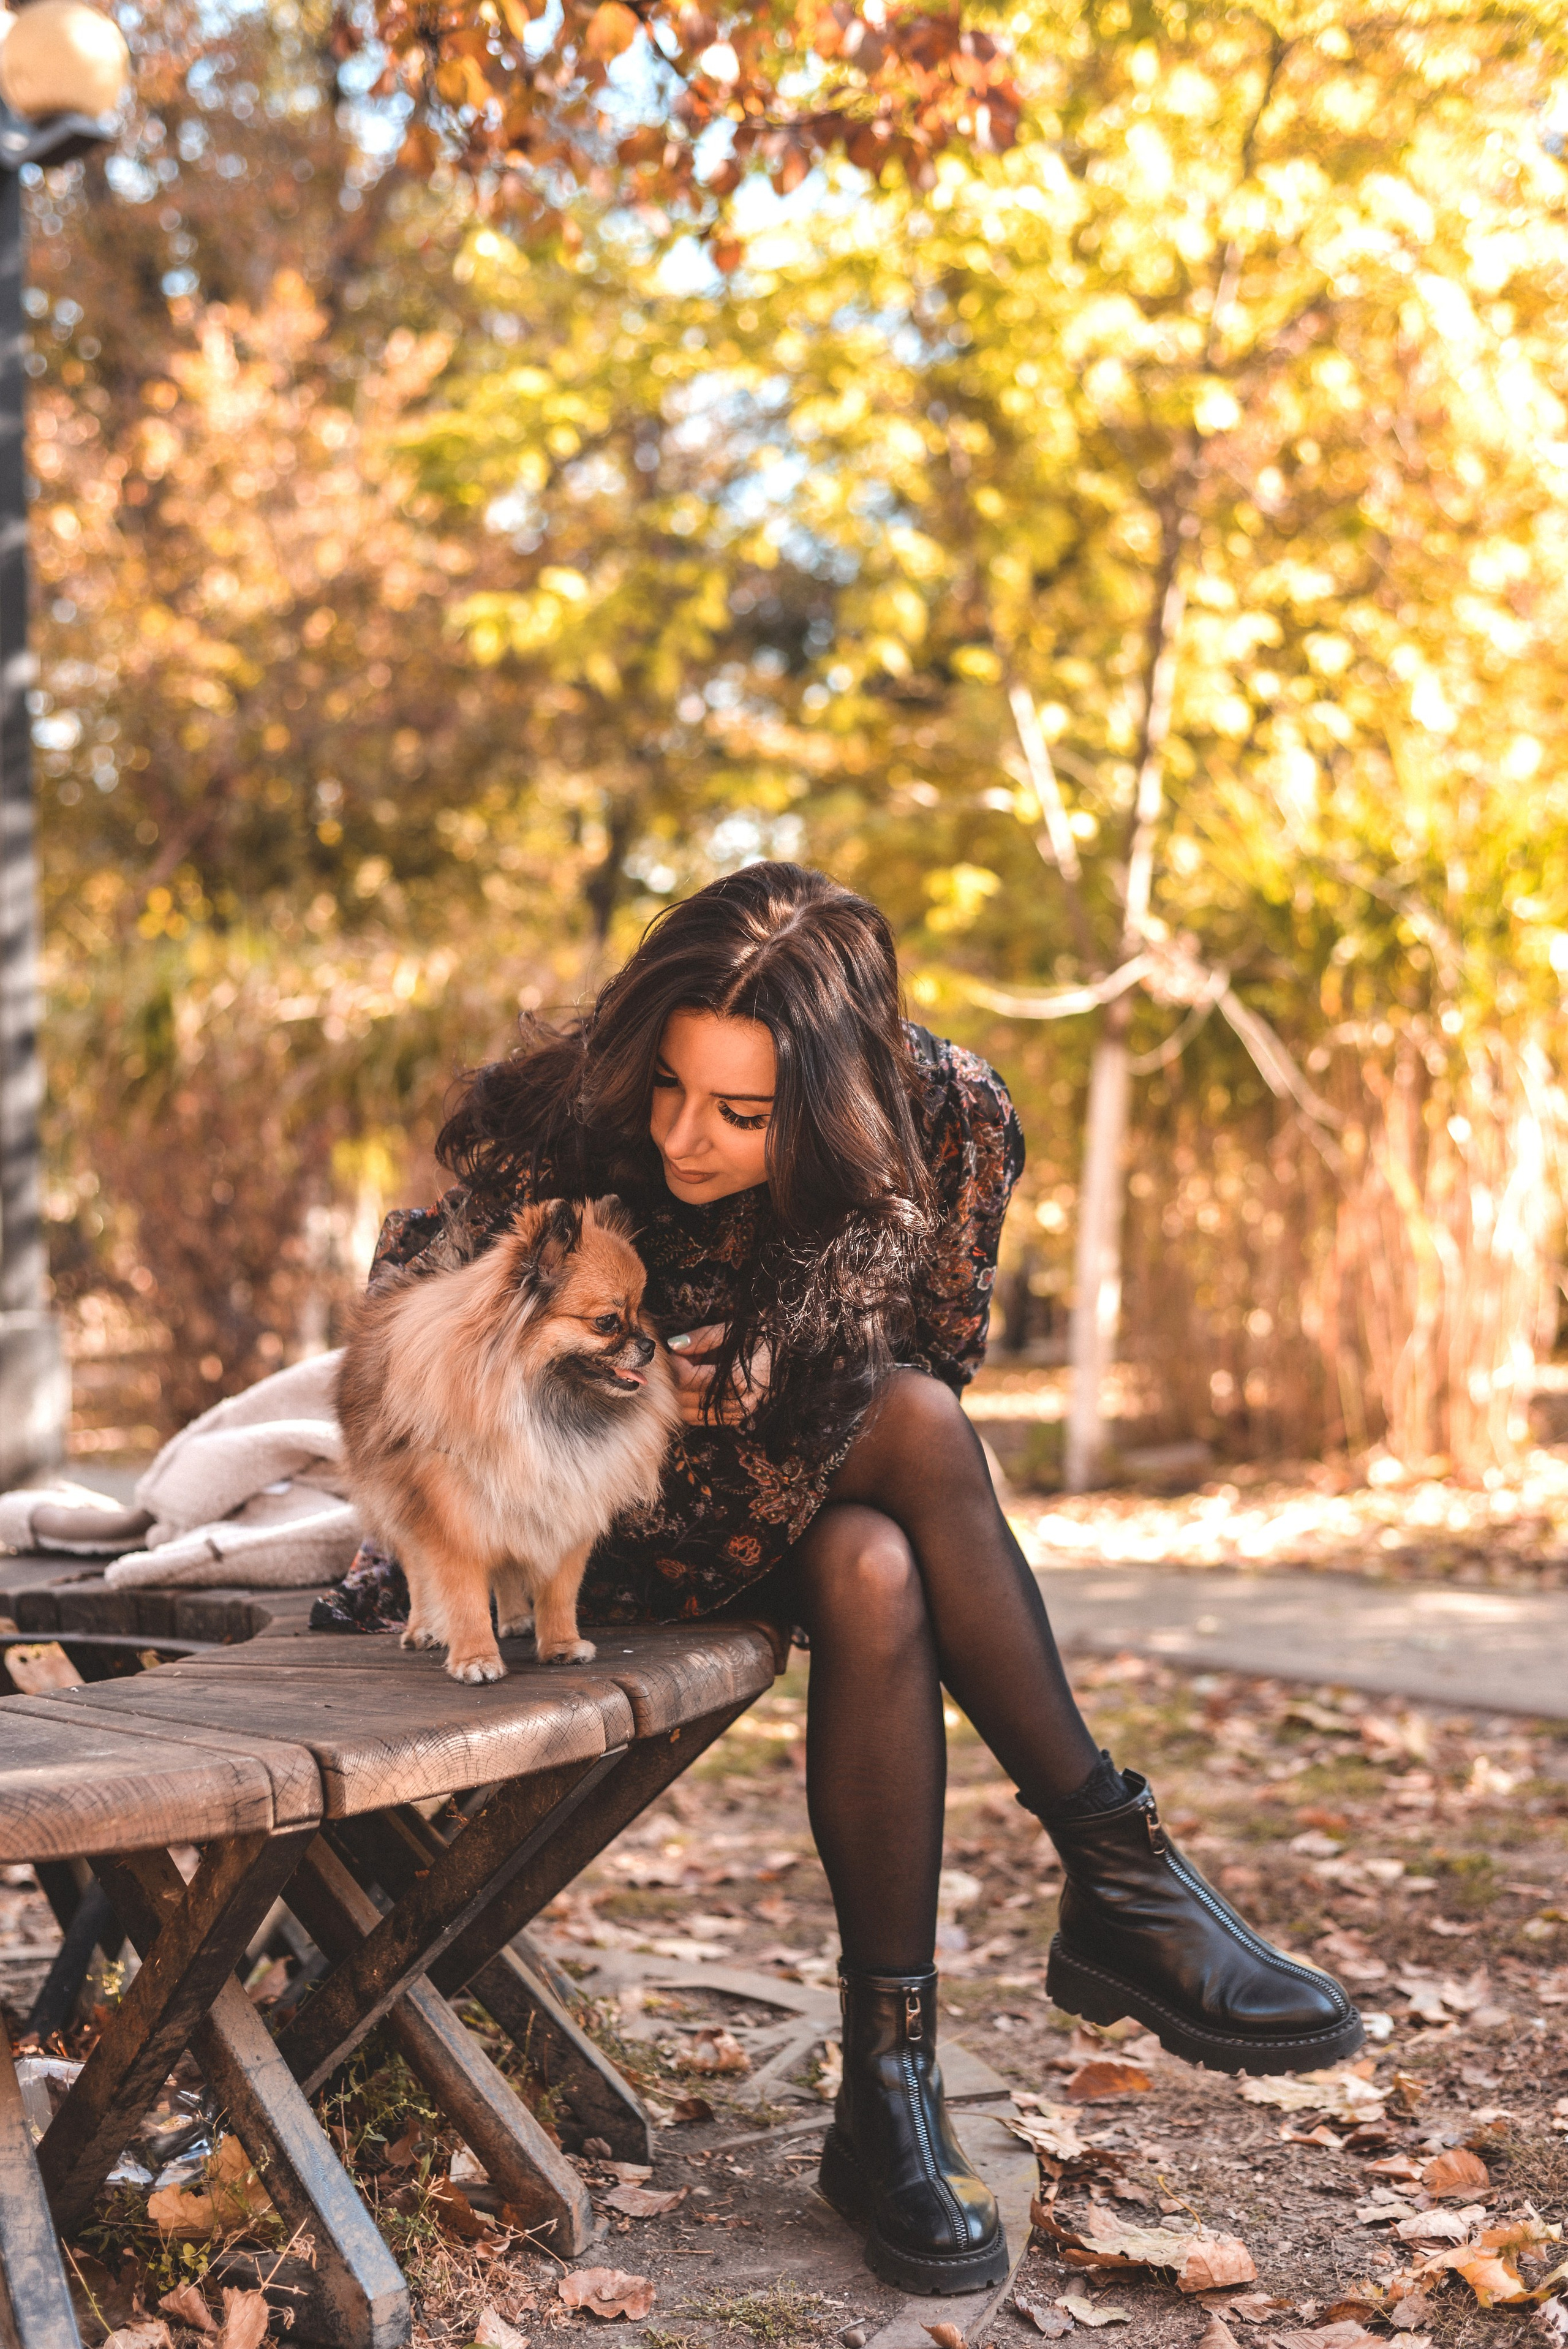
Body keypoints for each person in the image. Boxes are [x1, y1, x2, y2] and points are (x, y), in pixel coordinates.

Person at [318, 862, 1361, 2297]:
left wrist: (765, 1370)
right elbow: (409, 1323)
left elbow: (932, 1352)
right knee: (905, 1460)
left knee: (878, 1547)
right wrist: (640, 1388)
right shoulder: (562, 1114)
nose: (683, 1139)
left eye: (741, 1116)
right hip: (577, 1521)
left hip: (812, 1476)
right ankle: (1111, 1880)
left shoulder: (950, 1117)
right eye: (672, 1090)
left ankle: (890, 2095)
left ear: (831, 1109)